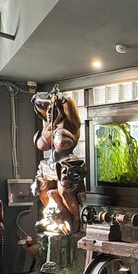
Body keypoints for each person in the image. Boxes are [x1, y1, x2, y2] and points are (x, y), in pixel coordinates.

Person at [30, 86, 85, 234]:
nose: (49, 111)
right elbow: (37, 103)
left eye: (53, 107)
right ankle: (55, 215)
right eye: (48, 108)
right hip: (49, 164)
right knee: (42, 188)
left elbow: (69, 103)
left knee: (65, 190)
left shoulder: (71, 125)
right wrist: (40, 99)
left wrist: (62, 99)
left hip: (66, 161)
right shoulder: (47, 125)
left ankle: (74, 219)